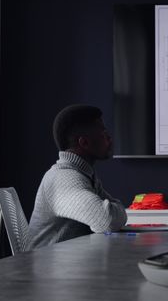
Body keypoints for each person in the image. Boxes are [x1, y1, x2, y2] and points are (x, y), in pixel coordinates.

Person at [29, 105, 127, 249]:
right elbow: (107, 221)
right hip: (47, 269)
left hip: (66, 265)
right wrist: (118, 211)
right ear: (84, 143)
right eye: (103, 132)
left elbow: (113, 210)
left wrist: (116, 210)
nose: (109, 137)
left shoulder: (84, 174)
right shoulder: (63, 179)